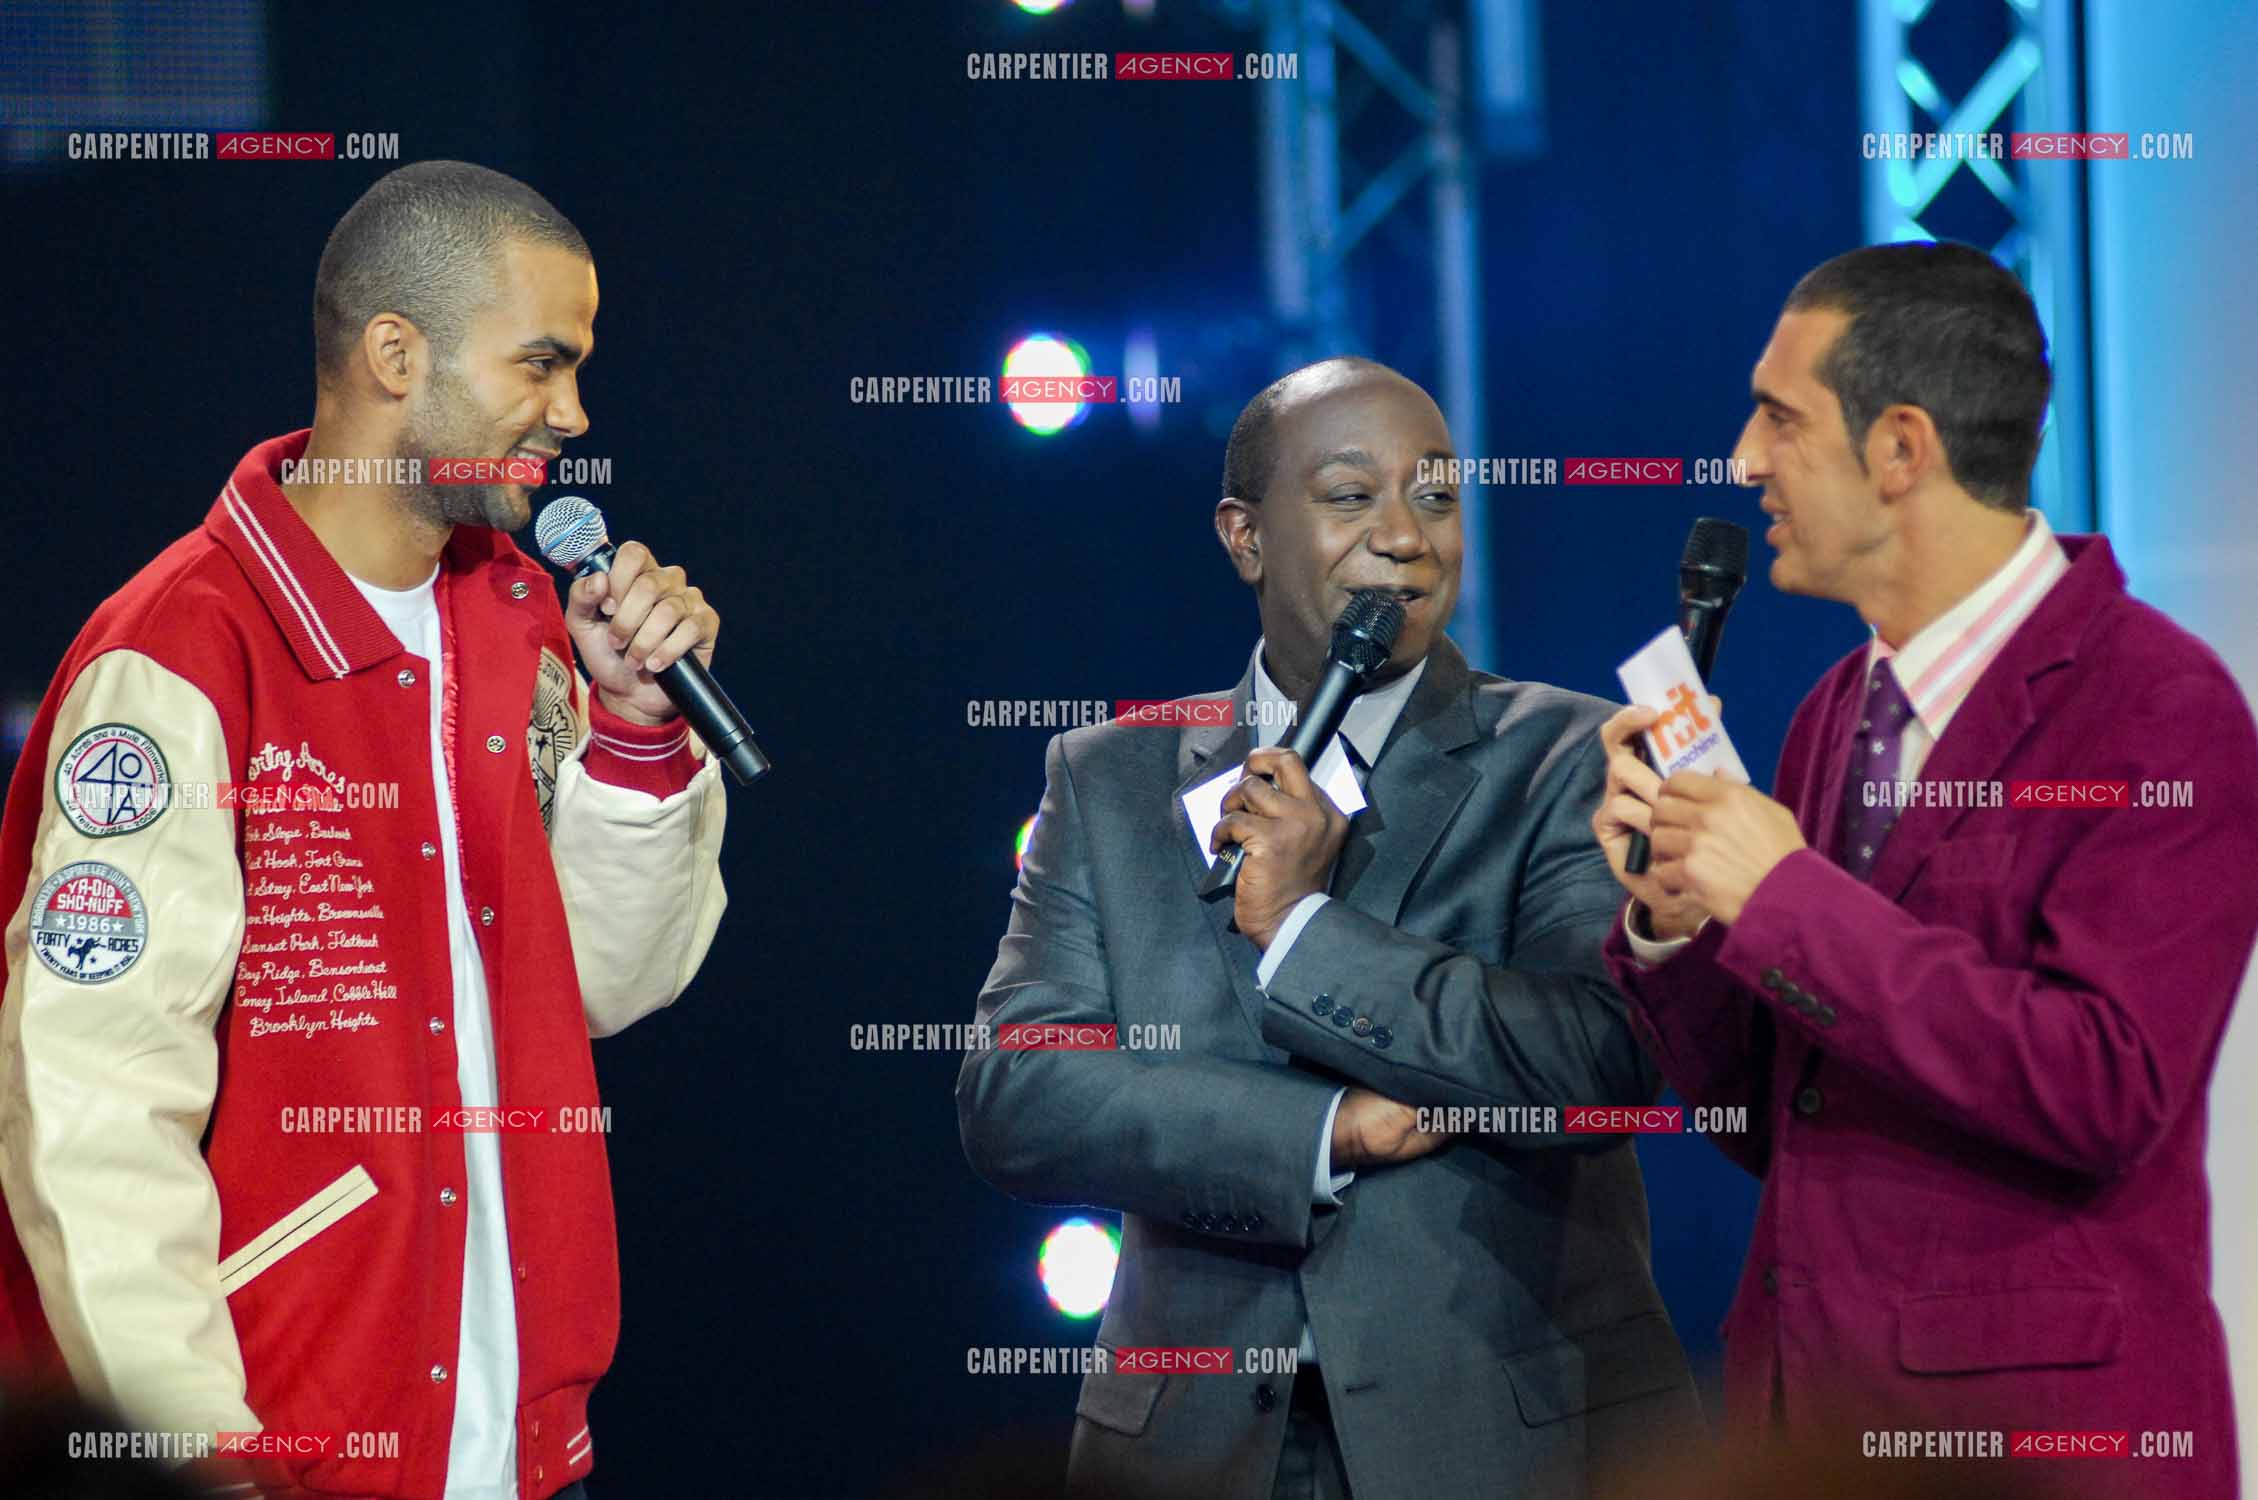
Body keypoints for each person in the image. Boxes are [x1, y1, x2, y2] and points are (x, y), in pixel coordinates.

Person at [0, 160, 730, 1500]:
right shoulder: (186, 652)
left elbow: (601, 992)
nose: (572, 413)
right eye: (542, 363)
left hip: (519, 1450)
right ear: (397, 354)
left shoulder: (520, 621)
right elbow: (92, 1116)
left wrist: (634, 733)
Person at [959, 356, 1702, 1500]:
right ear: (1243, 537)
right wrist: (1327, 1133)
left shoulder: (1570, 757)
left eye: (1438, 496)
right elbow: (1021, 1093)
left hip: (1508, 1440)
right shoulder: (1106, 777)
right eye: (1352, 497)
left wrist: (1303, 927)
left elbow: (1592, 1064)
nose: (1406, 538)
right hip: (1193, 1449)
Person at [1593, 241, 2258, 1498]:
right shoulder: (1836, 709)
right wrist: (1679, 924)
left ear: (1899, 448)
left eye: (1778, 417)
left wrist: (1782, 899)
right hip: (1813, 1431)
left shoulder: (2157, 705)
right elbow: (1782, 1117)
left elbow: (2102, 1088)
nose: (1741, 460)